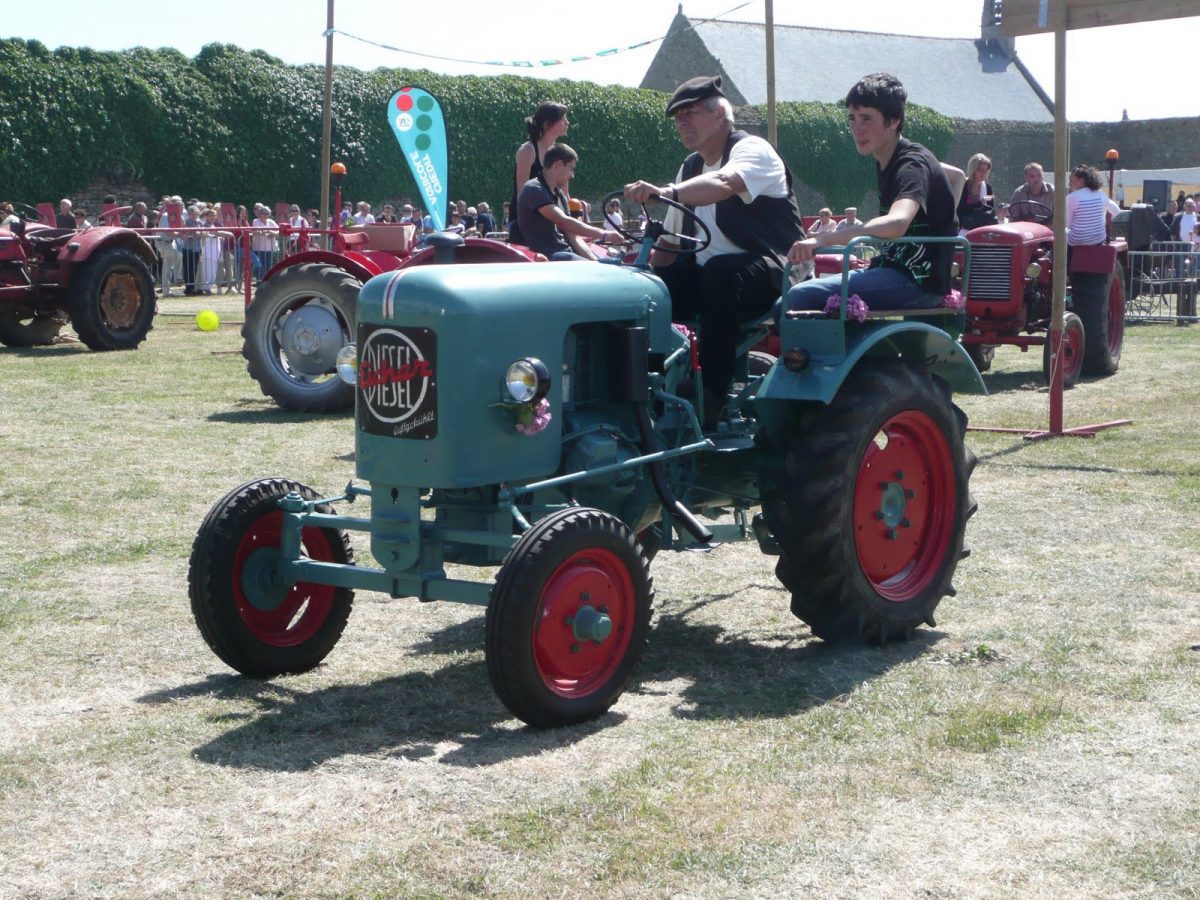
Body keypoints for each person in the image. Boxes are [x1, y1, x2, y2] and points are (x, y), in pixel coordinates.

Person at [624, 75, 804, 423]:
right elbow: (671, 242)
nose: (682, 123)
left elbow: (724, 183)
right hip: (713, 277)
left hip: (774, 272)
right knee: (650, 292)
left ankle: (712, 395)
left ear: (720, 114)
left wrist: (666, 193)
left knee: (721, 273)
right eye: (678, 118)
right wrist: (647, 281)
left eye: (691, 113)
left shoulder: (752, 150)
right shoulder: (690, 168)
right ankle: (643, 389)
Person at [785, 72, 958, 316]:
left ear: (894, 121)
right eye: (852, 118)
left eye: (867, 118)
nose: (856, 128)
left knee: (798, 296)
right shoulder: (894, 158)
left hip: (916, 281)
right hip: (893, 270)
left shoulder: (910, 164)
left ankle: (800, 355)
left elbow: (897, 223)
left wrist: (820, 240)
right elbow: (958, 176)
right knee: (784, 301)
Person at [517, 143, 619, 261]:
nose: (572, 175)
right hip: (546, 256)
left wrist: (595, 263)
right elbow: (563, 221)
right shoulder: (534, 189)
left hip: (563, 253)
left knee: (608, 265)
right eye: (571, 169)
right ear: (558, 165)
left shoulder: (560, 195)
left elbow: (573, 236)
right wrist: (605, 234)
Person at [507, 101, 569, 244]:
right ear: (547, 124)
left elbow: (564, 194)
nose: (567, 122)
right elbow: (522, 195)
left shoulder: (561, 153)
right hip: (526, 223)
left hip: (553, 220)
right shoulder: (528, 151)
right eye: (563, 118)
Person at [1065, 165, 1120, 247]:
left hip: (1077, 240)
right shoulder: (1100, 194)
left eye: (1071, 181)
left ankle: (1053, 257)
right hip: (1098, 239)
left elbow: (1068, 224)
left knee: (1059, 232)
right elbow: (1116, 210)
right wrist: (1100, 221)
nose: (1069, 184)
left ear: (1081, 181)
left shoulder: (1071, 197)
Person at [957, 152, 996, 231]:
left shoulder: (988, 188)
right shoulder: (963, 185)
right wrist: (980, 203)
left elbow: (990, 211)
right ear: (973, 170)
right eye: (980, 170)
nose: (984, 173)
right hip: (962, 227)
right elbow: (959, 210)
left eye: (986, 170)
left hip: (981, 228)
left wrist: (999, 213)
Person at [251, 203, 278, 284]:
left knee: (268, 267)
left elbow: (279, 230)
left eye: (267, 213)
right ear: (260, 214)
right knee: (260, 267)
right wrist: (265, 232)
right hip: (258, 248)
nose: (265, 215)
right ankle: (260, 283)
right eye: (264, 213)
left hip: (268, 249)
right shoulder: (256, 221)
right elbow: (257, 230)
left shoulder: (271, 221)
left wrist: (273, 233)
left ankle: (266, 283)